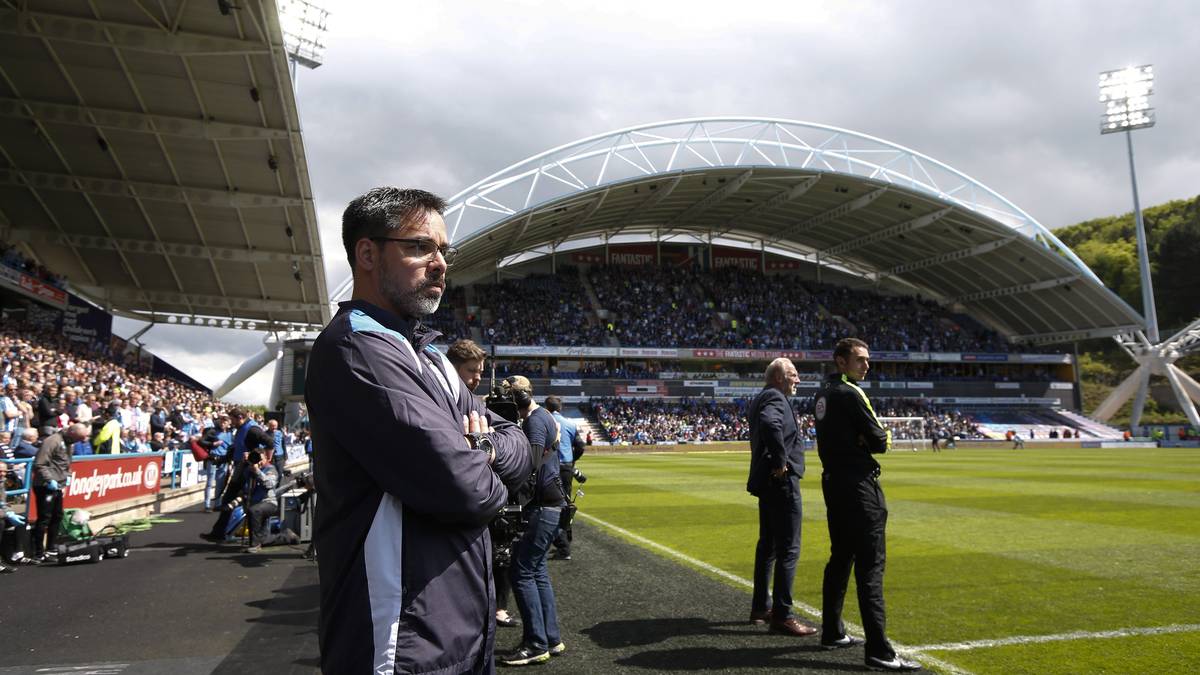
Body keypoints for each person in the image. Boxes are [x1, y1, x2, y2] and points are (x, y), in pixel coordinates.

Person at [306, 187, 533, 674]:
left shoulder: (432, 357)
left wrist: (482, 448)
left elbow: (523, 444)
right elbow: (464, 487)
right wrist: (484, 455)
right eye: (419, 247)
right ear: (367, 253)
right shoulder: (358, 349)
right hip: (400, 644)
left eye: (443, 251)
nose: (440, 264)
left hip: (459, 632)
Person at [813, 338, 919, 671]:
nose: (866, 365)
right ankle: (879, 652)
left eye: (868, 360)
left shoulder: (823, 392)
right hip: (859, 487)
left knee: (840, 558)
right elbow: (880, 440)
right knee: (870, 567)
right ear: (841, 362)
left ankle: (832, 632)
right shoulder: (850, 392)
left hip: (833, 483)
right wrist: (871, 438)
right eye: (860, 359)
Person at [745, 358, 818, 637]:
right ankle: (783, 615)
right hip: (781, 482)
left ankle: (761, 608)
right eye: (793, 375)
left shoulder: (763, 396)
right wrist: (780, 460)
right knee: (789, 548)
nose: (798, 380)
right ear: (778, 377)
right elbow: (770, 424)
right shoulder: (775, 397)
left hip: (767, 483)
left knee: (768, 547)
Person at [502, 376, 567, 666]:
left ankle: (535, 643)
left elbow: (532, 460)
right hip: (551, 504)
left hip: (542, 506)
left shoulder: (535, 421)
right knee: (537, 570)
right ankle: (550, 638)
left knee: (522, 571)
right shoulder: (545, 417)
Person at [202, 408, 273, 541]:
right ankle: (218, 533)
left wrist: (265, 461)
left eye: (233, 420)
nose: (231, 423)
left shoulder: (252, 430)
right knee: (228, 500)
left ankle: (254, 537)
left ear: (240, 417)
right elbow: (235, 448)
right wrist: (222, 459)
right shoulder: (241, 429)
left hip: (248, 470)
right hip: (240, 468)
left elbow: (269, 442)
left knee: (245, 502)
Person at [31, 423, 88, 562]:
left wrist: (67, 477)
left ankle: (51, 547)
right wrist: (49, 480)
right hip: (45, 485)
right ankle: (38, 552)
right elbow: (39, 464)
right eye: (78, 438)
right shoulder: (52, 441)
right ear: (71, 432)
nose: (78, 442)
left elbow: (67, 463)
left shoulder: (69, 443)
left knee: (57, 516)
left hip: (58, 485)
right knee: (44, 518)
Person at [545, 395, 583, 561]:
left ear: (547, 407)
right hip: (567, 467)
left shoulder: (544, 420)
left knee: (548, 504)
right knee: (566, 504)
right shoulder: (570, 423)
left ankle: (559, 544)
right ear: (560, 408)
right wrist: (572, 461)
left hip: (550, 467)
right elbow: (581, 446)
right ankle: (566, 540)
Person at [242, 449, 299, 553]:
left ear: (267, 458)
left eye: (261, 459)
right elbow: (239, 481)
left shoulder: (271, 469)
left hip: (269, 503)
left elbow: (269, 484)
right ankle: (287, 536)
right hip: (255, 504)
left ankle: (255, 544)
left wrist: (257, 471)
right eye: (256, 459)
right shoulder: (249, 470)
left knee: (254, 510)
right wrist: (244, 463)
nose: (259, 462)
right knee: (263, 538)